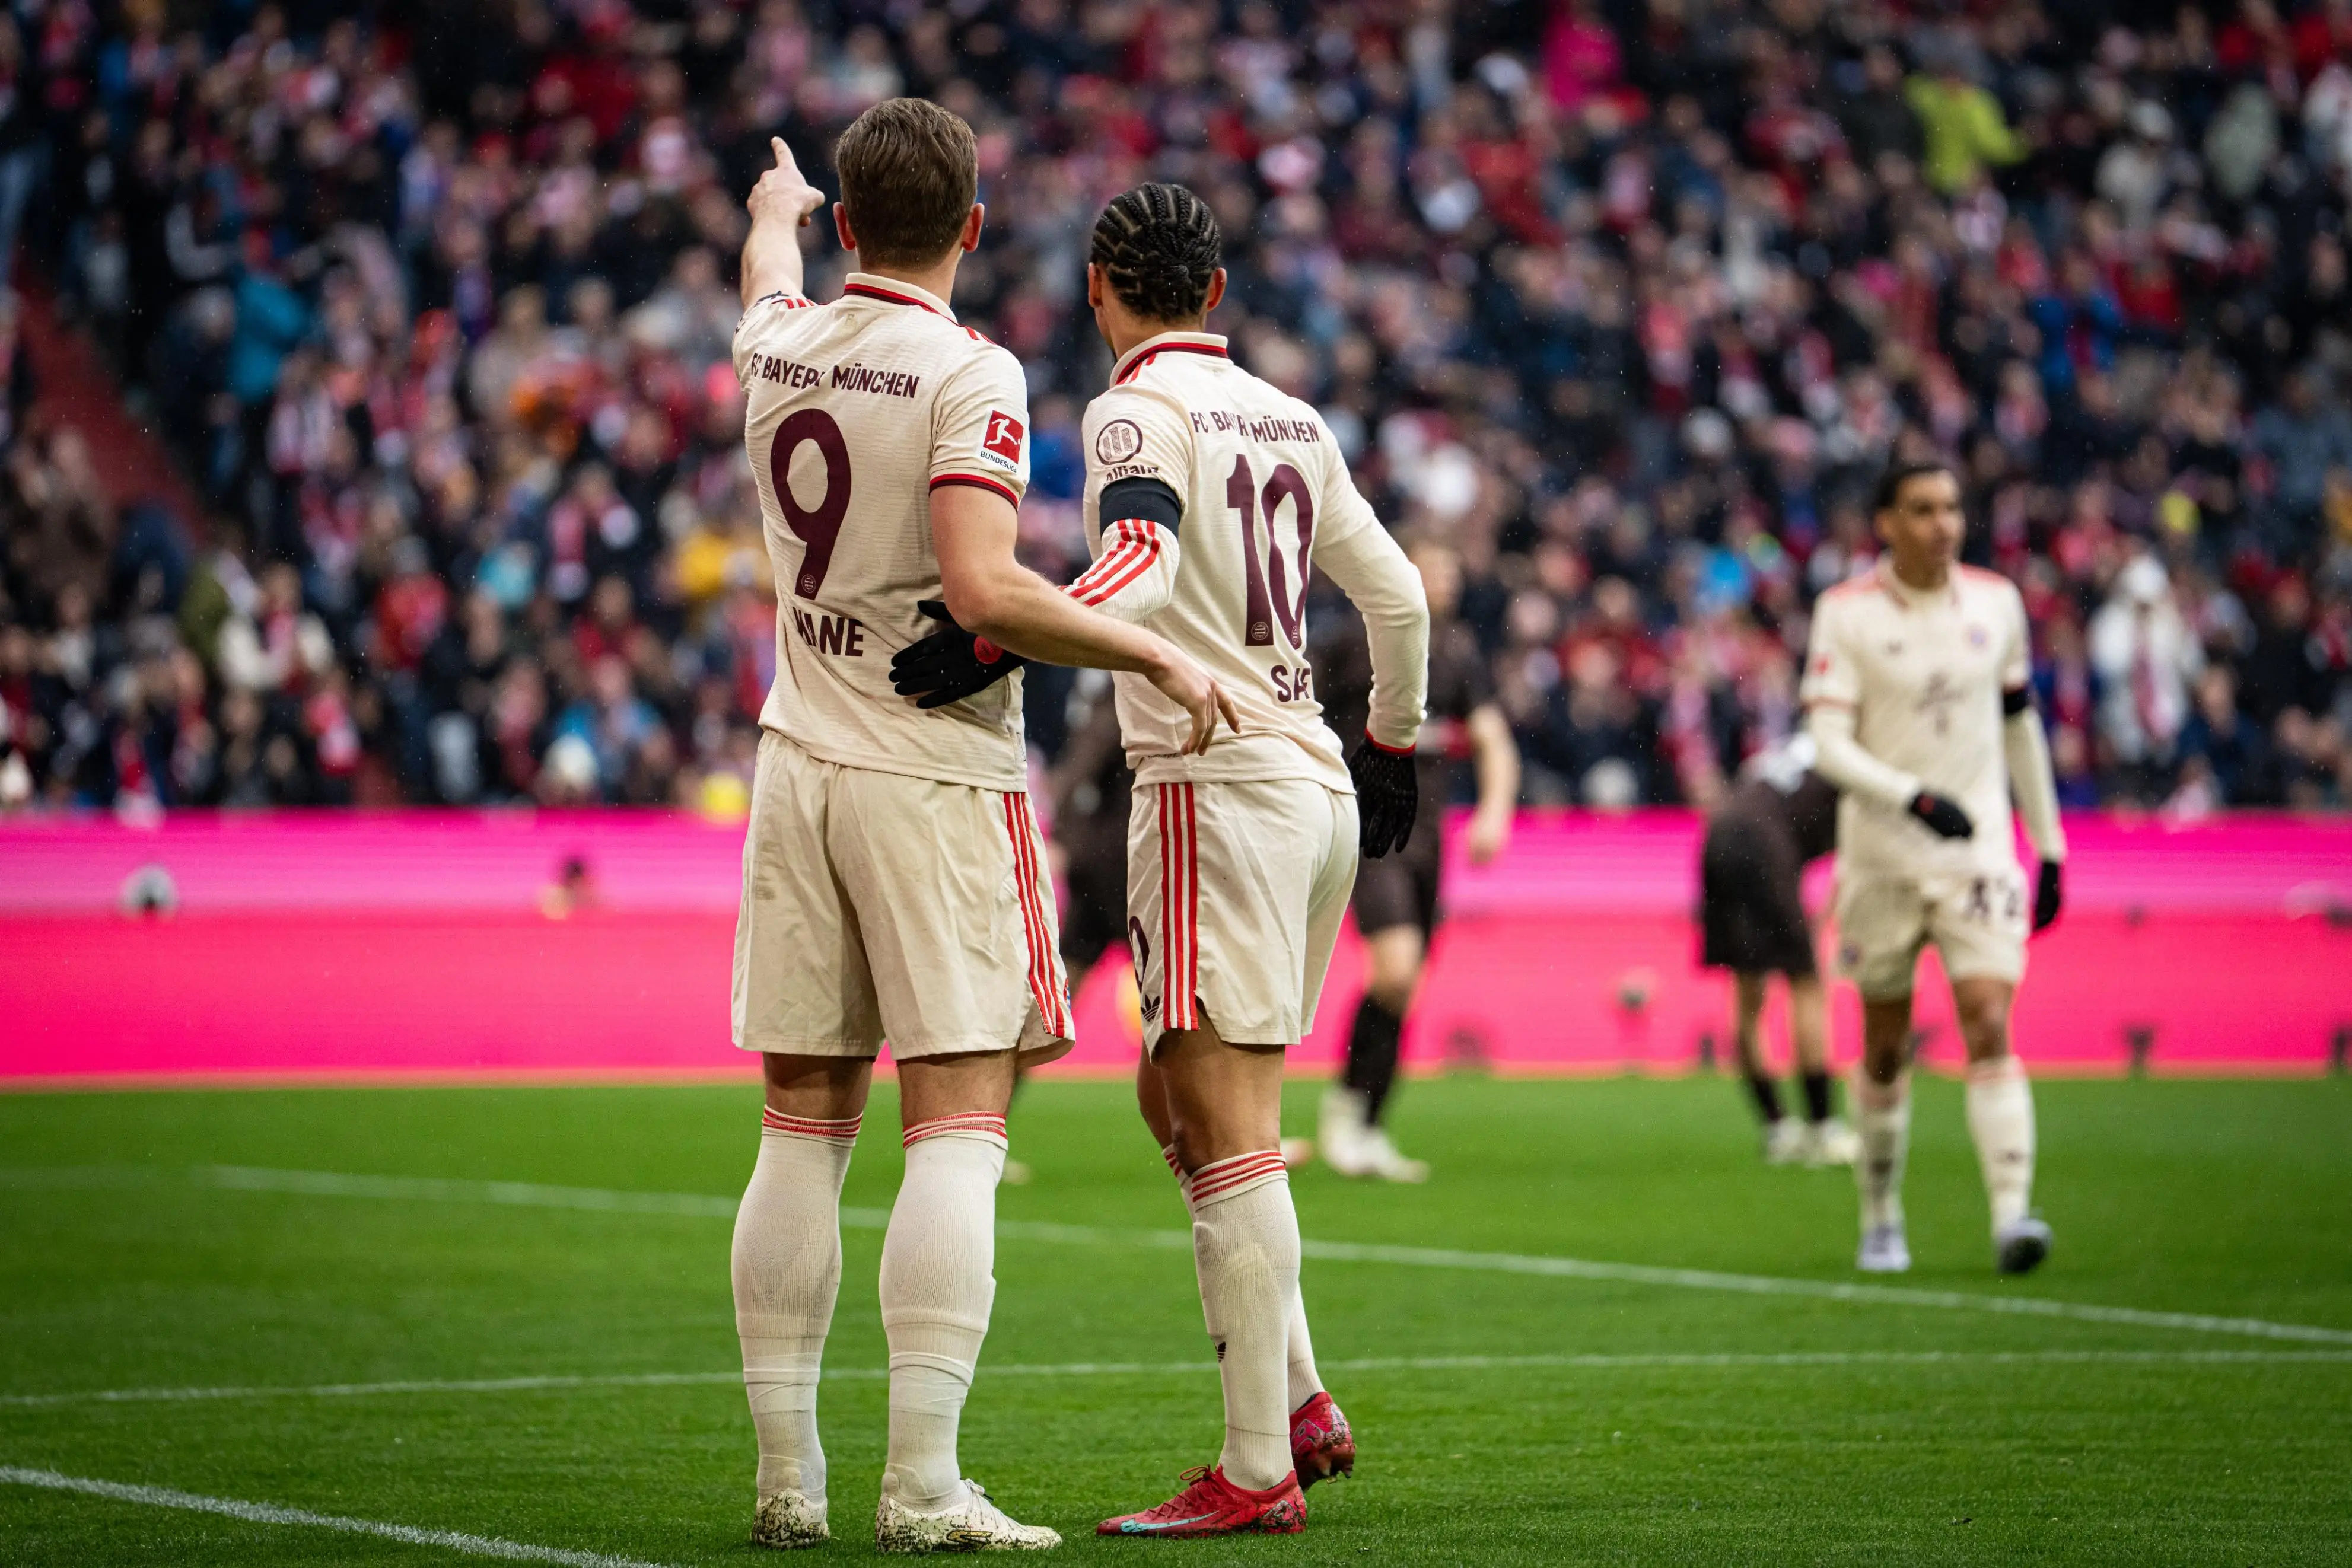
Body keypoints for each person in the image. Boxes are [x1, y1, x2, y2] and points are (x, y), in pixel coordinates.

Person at [725, 103, 1237, 1556]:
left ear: (844, 226)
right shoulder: (972, 372)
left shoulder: (776, 339)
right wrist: (1156, 655)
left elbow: (764, 265)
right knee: (957, 1124)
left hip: (798, 755)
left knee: (801, 1122)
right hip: (933, 772)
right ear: (971, 226)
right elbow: (983, 590)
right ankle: (922, 1483)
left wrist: (776, 201)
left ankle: (786, 1482)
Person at [896, 182, 1429, 1538]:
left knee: (1228, 1122)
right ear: (1220, 288)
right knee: (1173, 1095)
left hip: (1212, 782)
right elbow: (1399, 597)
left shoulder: (1138, 410)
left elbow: (1132, 565)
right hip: (1310, 780)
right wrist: (1392, 749)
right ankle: (1297, 1391)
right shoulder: (1291, 416)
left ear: (1099, 289)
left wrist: (992, 638)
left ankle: (1257, 1467)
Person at [1800, 458, 2068, 1277]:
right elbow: (1827, 745)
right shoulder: (1844, 614)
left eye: (1951, 508)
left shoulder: (1996, 603)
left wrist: (2048, 843)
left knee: (1988, 1016)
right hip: (1881, 856)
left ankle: (2011, 1215)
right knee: (1885, 1046)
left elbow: (2020, 725)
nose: (1943, 524)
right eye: (1922, 510)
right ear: (1885, 523)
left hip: (1978, 851)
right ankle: (1880, 1214)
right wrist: (1910, 797)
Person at [1304, 536, 1519, 1181]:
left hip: (1430, 837)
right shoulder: (1351, 639)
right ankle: (1344, 1110)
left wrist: (1494, 809)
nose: (1446, 580)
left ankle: (1367, 1126)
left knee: (1407, 986)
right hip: (1372, 831)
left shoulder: (1454, 650)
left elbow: (1492, 738)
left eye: (1451, 569)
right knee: (1395, 971)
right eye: (1433, 568)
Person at [1697, 735, 1860, 1166]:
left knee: (1748, 990)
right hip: (1765, 843)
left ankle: (1776, 1128)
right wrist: (1828, 925)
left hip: (1718, 833)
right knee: (1806, 983)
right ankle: (1823, 1128)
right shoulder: (1856, 763)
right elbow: (1855, 859)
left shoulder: (1789, 750)